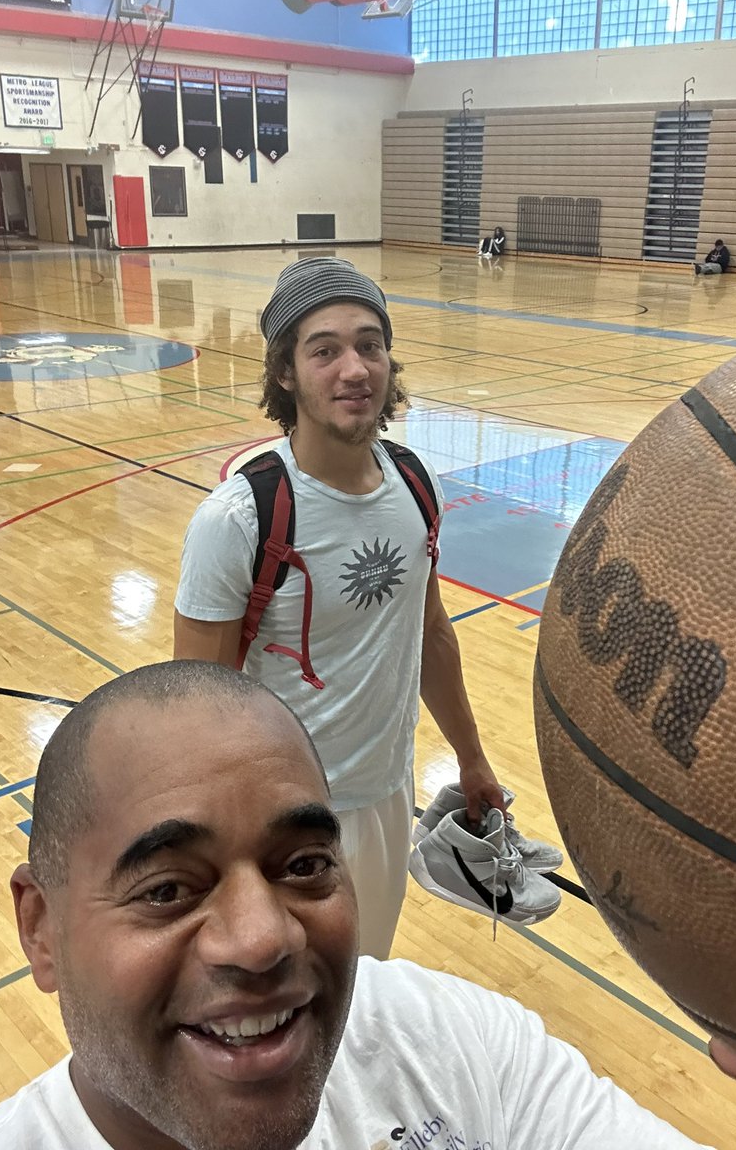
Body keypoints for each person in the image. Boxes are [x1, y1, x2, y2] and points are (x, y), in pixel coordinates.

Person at [0, 661, 715, 1150]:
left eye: (305, 866)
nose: (260, 939)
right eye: (167, 890)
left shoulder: (447, 1040)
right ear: (42, 929)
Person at [173, 257, 506, 959]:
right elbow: (192, 708)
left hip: (387, 795)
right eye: (324, 350)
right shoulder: (238, 519)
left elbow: (433, 636)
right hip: (277, 817)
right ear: (286, 373)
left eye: (370, 345)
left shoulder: (416, 485)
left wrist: (471, 760)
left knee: (362, 989)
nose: (354, 368)